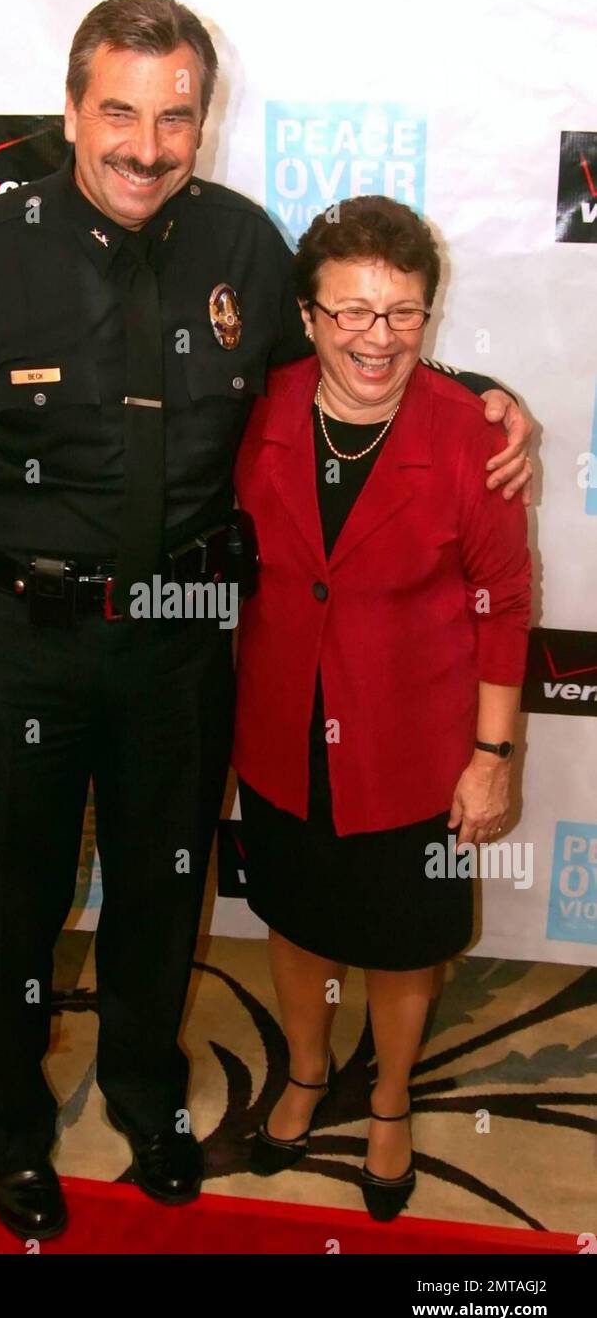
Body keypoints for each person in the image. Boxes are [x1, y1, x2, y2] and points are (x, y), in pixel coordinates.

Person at [0, 0, 532, 1241]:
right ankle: (8, 1121)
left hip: (181, 644)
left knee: (162, 895)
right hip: (17, 647)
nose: (146, 146)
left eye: (175, 117)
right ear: (71, 110)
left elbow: (357, 356)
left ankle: (146, 1091)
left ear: (203, 123)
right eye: (119, 112)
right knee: (12, 901)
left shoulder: (243, 248)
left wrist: (485, 400)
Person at [232, 195, 532, 1220]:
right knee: (296, 916)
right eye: (352, 312)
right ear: (307, 316)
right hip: (279, 729)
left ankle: (392, 1096)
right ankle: (310, 1073)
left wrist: (491, 754)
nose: (377, 337)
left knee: (407, 937)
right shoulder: (256, 407)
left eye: (402, 313)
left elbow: (504, 606)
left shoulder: (468, 437)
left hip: (414, 745)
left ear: (427, 319)